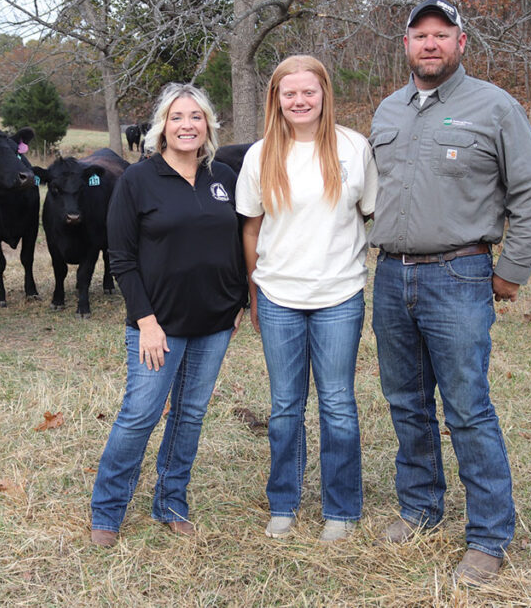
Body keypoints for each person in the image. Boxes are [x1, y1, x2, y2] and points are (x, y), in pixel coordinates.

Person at [369, 0, 531, 585]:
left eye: (441, 35)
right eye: (419, 35)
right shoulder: (388, 110)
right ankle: (420, 509)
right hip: (392, 276)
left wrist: (511, 271)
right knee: (406, 401)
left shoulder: (494, 108)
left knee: (468, 409)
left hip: (459, 275)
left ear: (461, 43)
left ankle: (489, 535)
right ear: (405, 44)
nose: (429, 44)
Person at [90, 83, 247, 546]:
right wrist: (146, 322)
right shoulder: (138, 181)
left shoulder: (223, 178)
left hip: (214, 323)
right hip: (158, 325)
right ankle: (107, 510)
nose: (187, 126)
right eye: (178, 117)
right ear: (162, 126)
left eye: (196, 117)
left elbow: (238, 243)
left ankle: (171, 501)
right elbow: (121, 258)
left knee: (191, 414)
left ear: (208, 126)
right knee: (140, 414)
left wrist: (236, 301)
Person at [236, 55, 377, 543]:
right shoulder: (260, 155)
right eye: (288, 93)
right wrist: (255, 288)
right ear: (276, 98)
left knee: (337, 403)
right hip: (279, 296)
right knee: (284, 406)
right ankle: (284, 503)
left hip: (339, 293)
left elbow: (370, 213)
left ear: (324, 94)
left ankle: (341, 509)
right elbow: (251, 226)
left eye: (308, 91)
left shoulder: (353, 148)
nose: (299, 100)